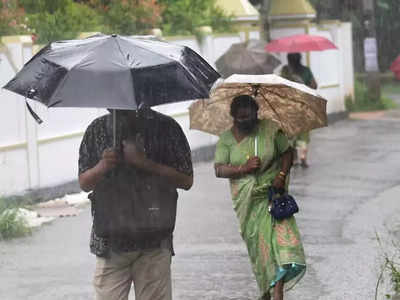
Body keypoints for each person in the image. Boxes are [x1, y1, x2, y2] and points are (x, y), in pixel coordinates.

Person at [78, 108, 193, 300]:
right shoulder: (97, 130)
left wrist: (145, 163)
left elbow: (186, 180)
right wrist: (103, 166)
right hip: (110, 242)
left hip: (155, 240)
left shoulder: (166, 128)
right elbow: (84, 183)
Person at [214, 95, 306, 300]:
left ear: (257, 113)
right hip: (249, 206)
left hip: (274, 199)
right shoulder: (226, 140)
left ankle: (277, 292)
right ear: (233, 117)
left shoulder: (270, 129)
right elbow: (219, 169)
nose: (246, 122)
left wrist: (281, 175)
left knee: (282, 249)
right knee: (262, 254)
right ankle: (268, 290)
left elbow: (287, 153)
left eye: (250, 117)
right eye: (241, 118)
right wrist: (243, 168)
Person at [281, 52, 318, 168]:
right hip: (303, 105)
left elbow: (280, 86)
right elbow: (314, 85)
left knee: (291, 133)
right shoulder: (306, 70)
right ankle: (303, 157)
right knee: (304, 132)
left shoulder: (285, 70)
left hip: (289, 106)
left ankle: (295, 158)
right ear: (300, 59)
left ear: (288, 59)